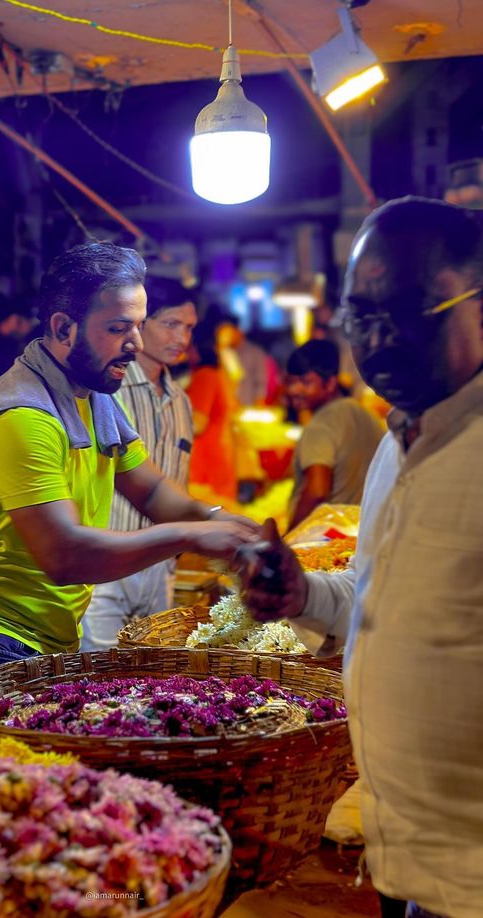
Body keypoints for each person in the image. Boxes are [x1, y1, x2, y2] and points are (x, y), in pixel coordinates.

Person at [237, 197, 483, 918]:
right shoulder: (391, 442)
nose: (378, 340)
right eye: (359, 317)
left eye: (407, 311)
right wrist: (302, 595)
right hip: (400, 846)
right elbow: (376, 592)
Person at [0, 243, 260, 746]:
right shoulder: (23, 414)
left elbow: (151, 490)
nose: (135, 342)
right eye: (119, 328)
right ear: (64, 328)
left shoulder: (93, 397)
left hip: (47, 636)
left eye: (140, 325)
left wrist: (229, 525)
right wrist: (195, 534)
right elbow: (64, 554)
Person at [80, 277, 198, 651]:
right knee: (97, 679)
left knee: (152, 675)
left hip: (159, 565)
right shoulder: (105, 392)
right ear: (141, 325)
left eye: (189, 327)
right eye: (171, 324)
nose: (182, 337)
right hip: (106, 563)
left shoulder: (181, 402)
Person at [285, 339, 383, 530]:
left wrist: (289, 538)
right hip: (368, 532)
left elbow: (317, 491)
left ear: (330, 384)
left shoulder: (320, 425)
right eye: (291, 381)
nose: (294, 390)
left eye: (305, 382)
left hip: (329, 539)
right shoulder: (363, 414)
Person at [186, 318, 238, 501]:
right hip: (218, 460)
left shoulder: (205, 376)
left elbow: (197, 424)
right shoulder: (218, 373)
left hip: (206, 467)